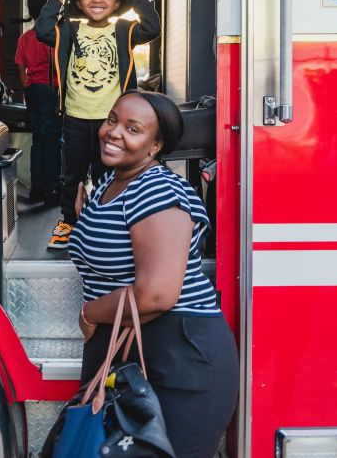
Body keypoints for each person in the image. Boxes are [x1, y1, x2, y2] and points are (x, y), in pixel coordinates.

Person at [68, 90, 239, 458]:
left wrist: (88, 314)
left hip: (178, 360)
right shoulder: (111, 184)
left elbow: (156, 295)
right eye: (112, 120)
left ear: (155, 145)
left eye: (133, 129)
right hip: (130, 347)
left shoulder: (158, 188)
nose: (113, 132)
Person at [36, 0, 161, 248]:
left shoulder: (124, 29)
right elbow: (41, 31)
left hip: (112, 120)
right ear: (78, 0)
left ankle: (106, 223)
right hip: (77, 118)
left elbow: (152, 27)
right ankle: (68, 223)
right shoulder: (69, 29)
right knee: (72, 176)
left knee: (109, 173)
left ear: (117, 1)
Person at [15, 0, 62, 206]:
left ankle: (37, 188)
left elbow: (20, 66)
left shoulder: (25, 38)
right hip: (50, 90)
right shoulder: (52, 37)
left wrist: (26, 86)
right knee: (52, 141)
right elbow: (57, 66)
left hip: (32, 90)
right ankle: (53, 188)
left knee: (38, 141)